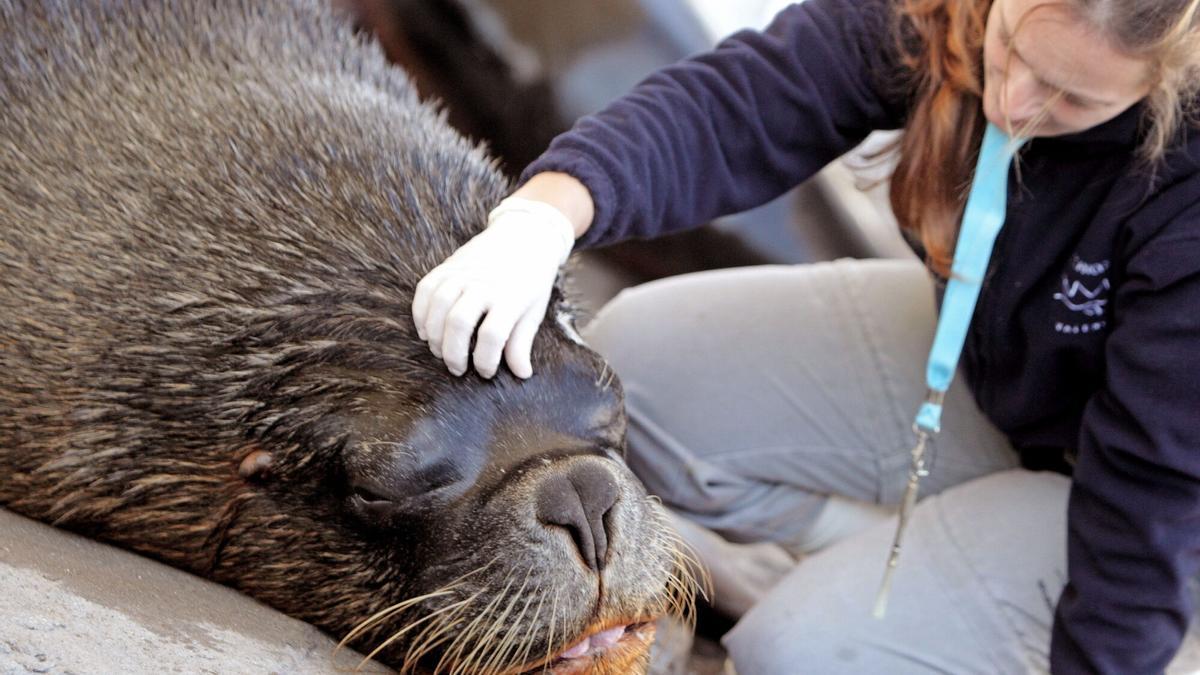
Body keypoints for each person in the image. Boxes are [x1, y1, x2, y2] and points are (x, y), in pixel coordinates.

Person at [410, 0, 1200, 672]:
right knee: (631, 374)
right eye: (1012, 48)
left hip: (1144, 503)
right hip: (995, 367)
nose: (1014, 101)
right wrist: (547, 214)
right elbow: (750, 102)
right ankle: (879, 554)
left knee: (794, 655)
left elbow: (1153, 497)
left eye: (1070, 97)